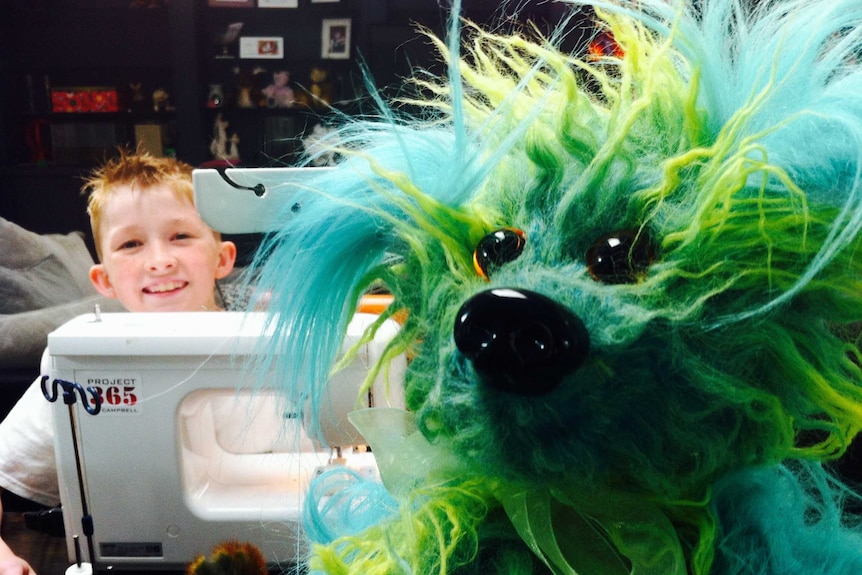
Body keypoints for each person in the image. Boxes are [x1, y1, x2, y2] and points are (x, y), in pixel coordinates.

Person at [0, 150, 237, 574]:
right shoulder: (76, 365)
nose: (160, 260)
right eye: (131, 244)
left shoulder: (268, 347)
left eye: (181, 236)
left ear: (223, 259)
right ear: (103, 280)